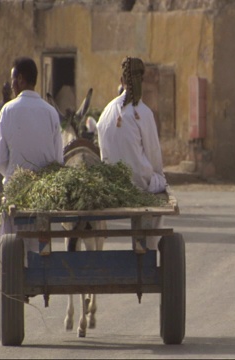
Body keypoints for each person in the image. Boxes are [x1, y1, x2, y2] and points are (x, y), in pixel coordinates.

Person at [0, 56, 64, 264]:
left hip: (15, 196)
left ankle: (16, 291)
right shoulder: (51, 113)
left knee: (12, 256)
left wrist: (14, 176)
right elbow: (58, 160)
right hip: (43, 198)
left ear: (21, 79)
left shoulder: (8, 111)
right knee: (39, 256)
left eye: (13, 80)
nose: (12, 85)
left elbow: (0, 159)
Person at [96, 56, 167, 250]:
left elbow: (104, 155)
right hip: (138, 183)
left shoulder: (106, 112)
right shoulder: (143, 112)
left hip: (111, 183)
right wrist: (159, 177)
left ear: (121, 81)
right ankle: (147, 248)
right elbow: (153, 156)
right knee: (160, 191)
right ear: (141, 81)